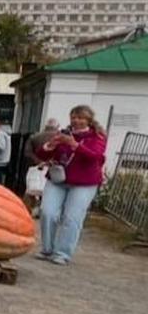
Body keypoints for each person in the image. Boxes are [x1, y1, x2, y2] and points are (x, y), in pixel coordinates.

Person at [34, 105, 107, 265]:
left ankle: (62, 253)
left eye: (80, 118)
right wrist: (50, 145)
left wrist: (75, 145)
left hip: (84, 182)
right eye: (73, 117)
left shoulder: (97, 137)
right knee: (47, 212)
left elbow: (94, 156)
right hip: (58, 179)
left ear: (88, 120)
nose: (76, 120)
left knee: (72, 218)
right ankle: (47, 249)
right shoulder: (62, 134)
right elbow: (41, 154)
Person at [21, 119, 59, 213]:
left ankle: (30, 209)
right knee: (50, 190)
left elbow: (27, 152)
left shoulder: (34, 137)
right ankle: (45, 210)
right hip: (54, 168)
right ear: (57, 126)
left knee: (33, 188)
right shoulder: (59, 137)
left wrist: (38, 161)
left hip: (36, 166)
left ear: (45, 126)